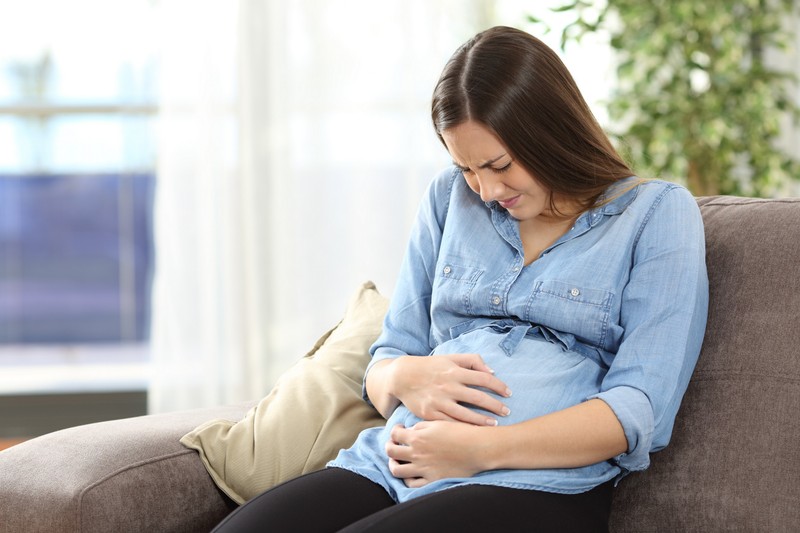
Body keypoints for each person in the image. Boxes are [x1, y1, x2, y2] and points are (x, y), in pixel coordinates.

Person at [212, 25, 708, 532]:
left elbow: (638, 409)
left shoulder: (655, 214)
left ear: (551, 133)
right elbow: (386, 361)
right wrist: (407, 377)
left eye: (500, 165)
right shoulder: (449, 197)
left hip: (536, 483)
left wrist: (480, 450)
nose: (486, 190)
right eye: (467, 168)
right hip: (392, 462)